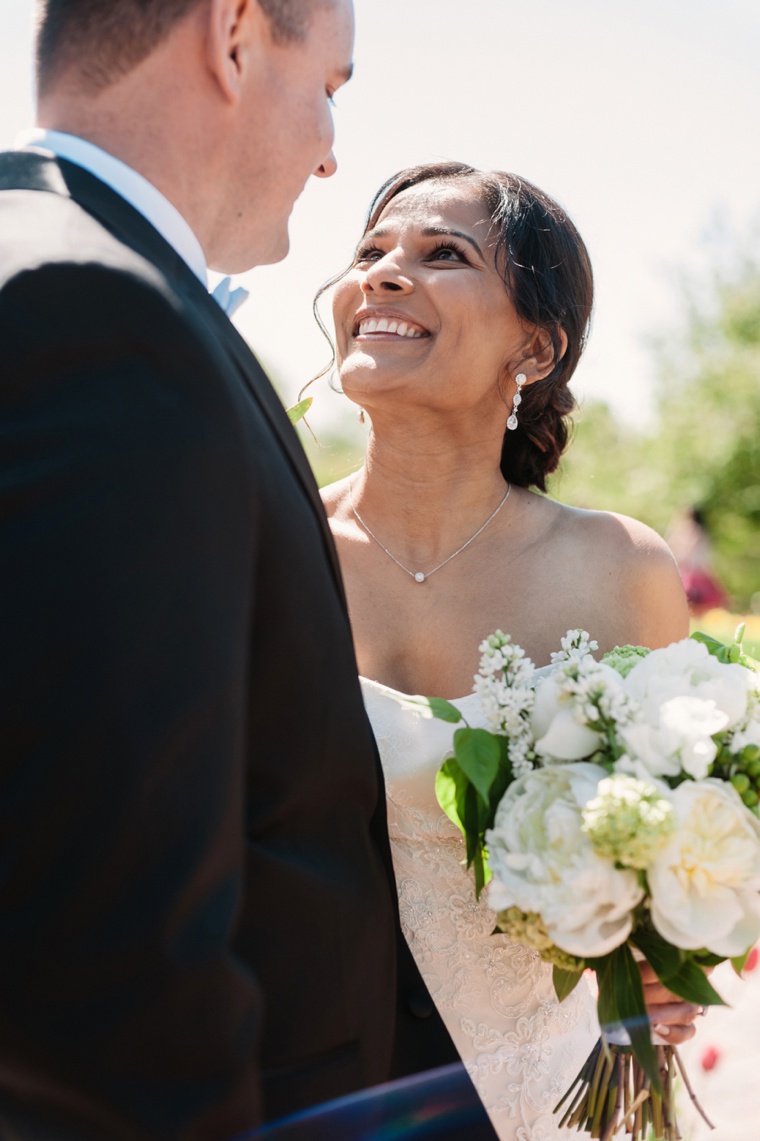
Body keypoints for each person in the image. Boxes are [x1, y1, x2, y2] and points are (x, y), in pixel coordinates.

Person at [0, 9, 482, 1140]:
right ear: (232, 37)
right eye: (331, 84)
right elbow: (107, 951)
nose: (328, 151)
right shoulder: (98, 312)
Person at [321, 162, 703, 1138]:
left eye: (441, 254)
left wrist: (667, 951)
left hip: (547, 1096)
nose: (384, 274)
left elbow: (672, 851)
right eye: (370, 252)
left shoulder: (618, 569)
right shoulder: (272, 551)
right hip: (308, 1086)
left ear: (533, 344)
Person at [666, 505, 729, 615]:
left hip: (691, 572)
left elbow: (681, 551)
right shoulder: (696, 530)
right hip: (693, 571)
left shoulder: (690, 530)